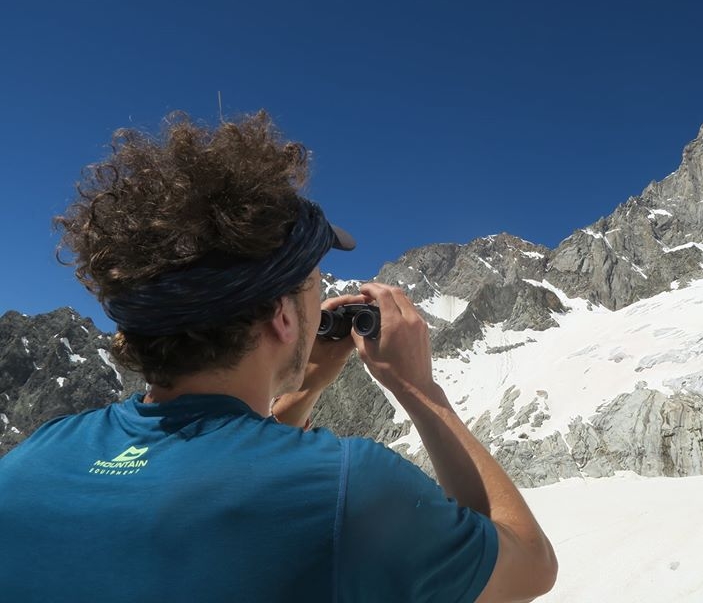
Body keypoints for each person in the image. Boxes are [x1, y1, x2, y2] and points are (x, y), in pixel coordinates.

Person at [0, 112, 557, 601]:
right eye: (314, 286)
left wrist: (297, 393)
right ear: (283, 317)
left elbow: (216, 472)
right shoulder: (350, 489)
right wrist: (419, 389)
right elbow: (529, 566)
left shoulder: (31, 462)